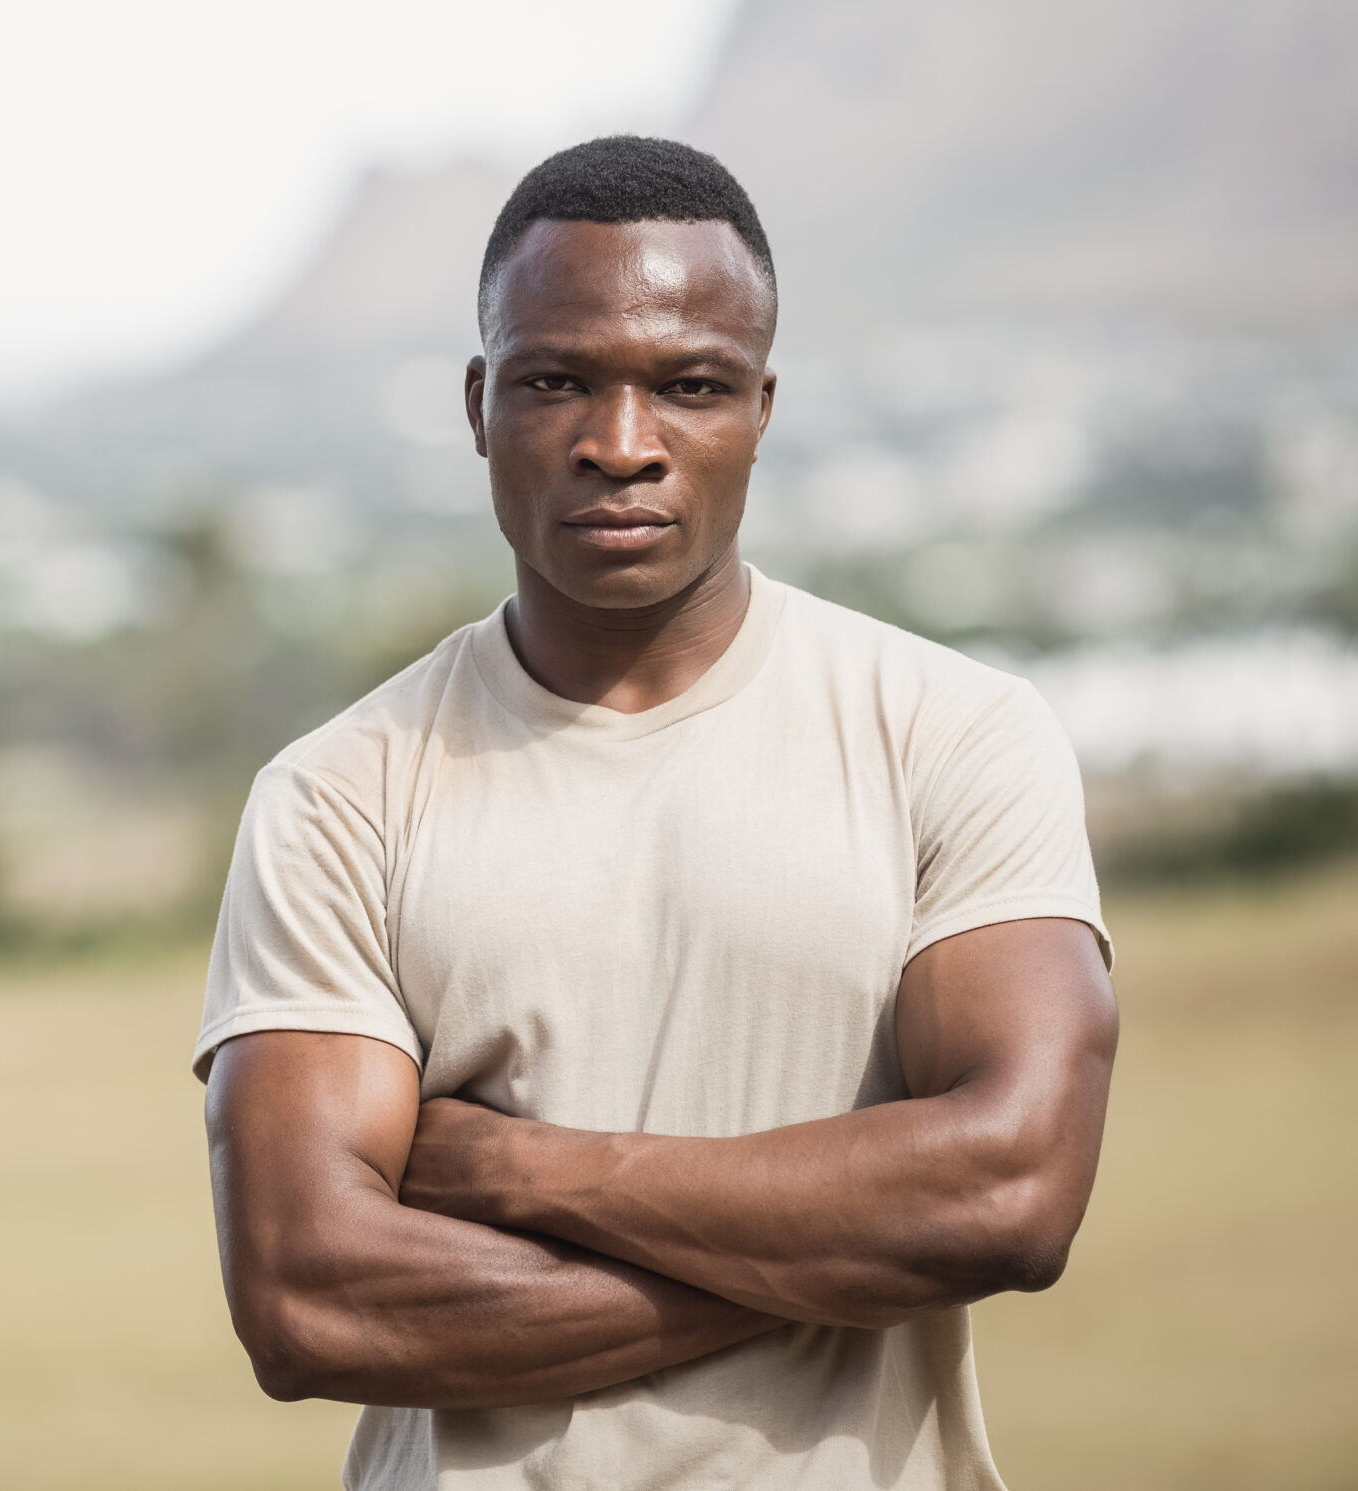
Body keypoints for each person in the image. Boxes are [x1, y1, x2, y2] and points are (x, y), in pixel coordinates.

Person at [196, 135, 1117, 1490]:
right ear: (477, 404)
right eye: (557, 380)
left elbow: (1010, 1196)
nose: (620, 446)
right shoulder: (341, 792)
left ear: (761, 408)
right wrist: (838, 1258)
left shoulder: (953, 734)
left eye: (689, 387)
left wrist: (528, 1175)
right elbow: (309, 1295)